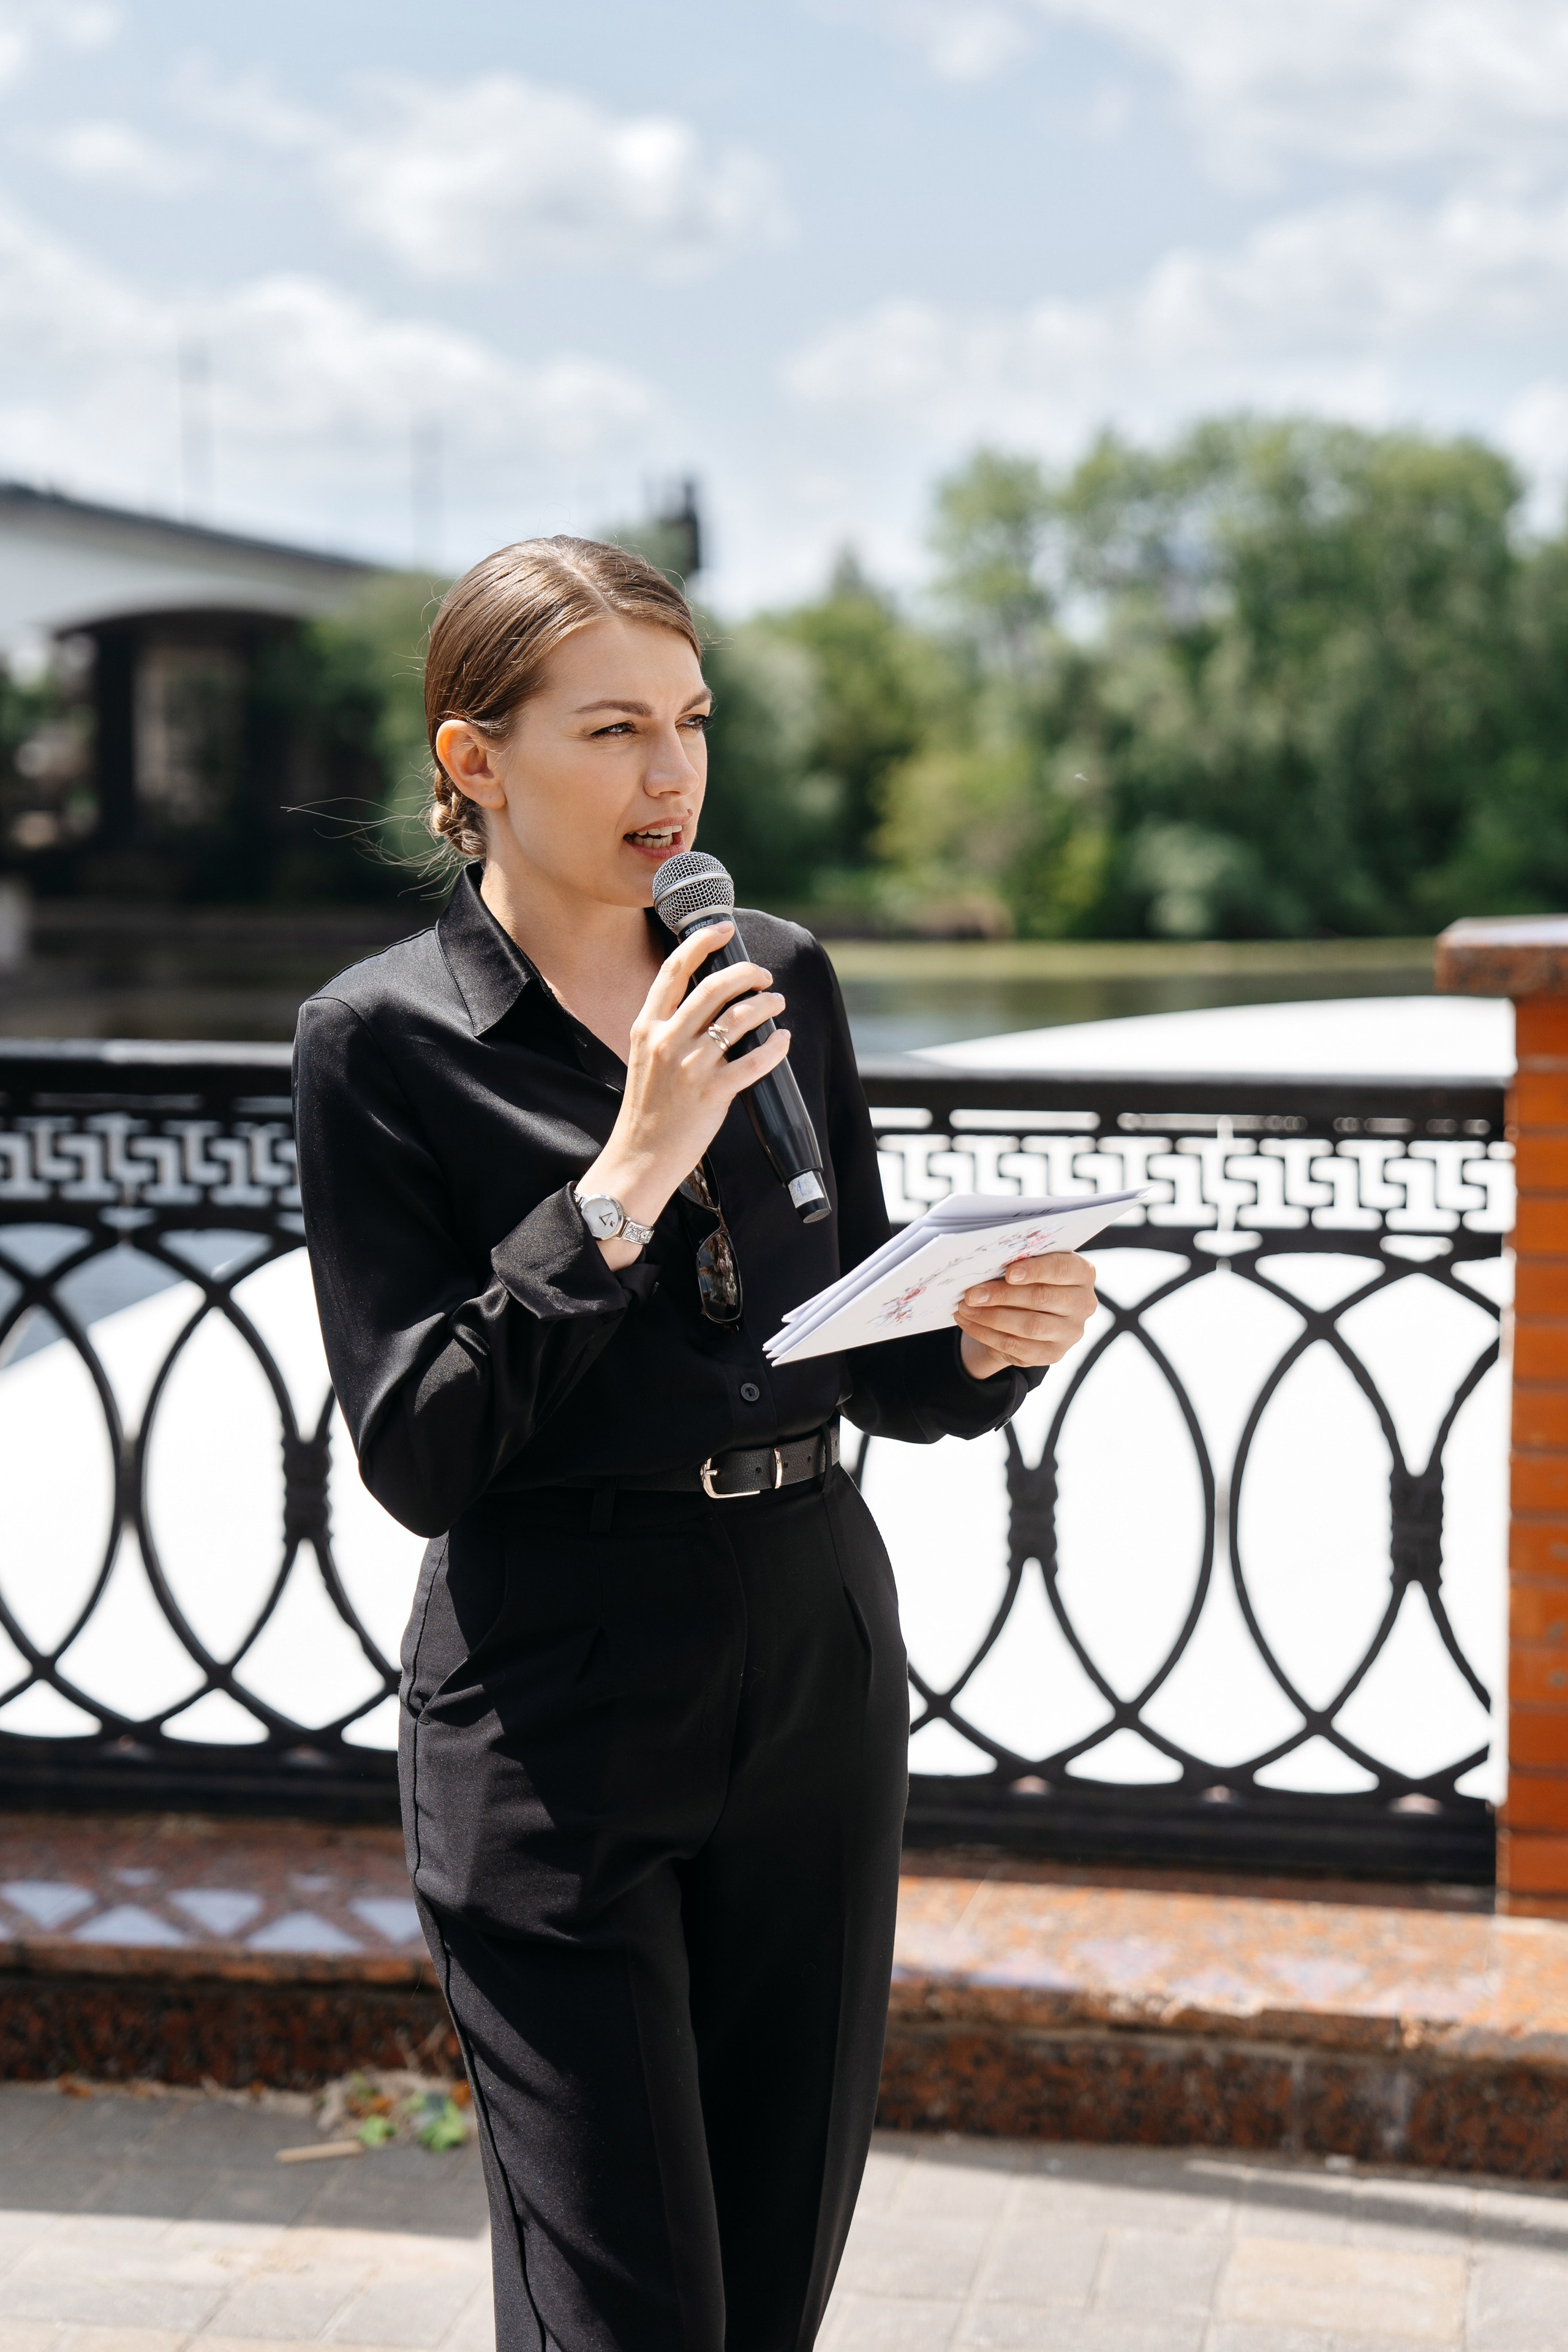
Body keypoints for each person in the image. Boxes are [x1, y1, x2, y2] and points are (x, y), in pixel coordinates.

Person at [292, 537, 1097, 2352]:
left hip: (810, 1646)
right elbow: (420, 1446)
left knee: (763, 2279)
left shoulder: (775, 975)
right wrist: (630, 1174)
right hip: (551, 1700)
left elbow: (850, 1349)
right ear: (474, 760)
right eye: (613, 730)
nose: (672, 776)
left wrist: (981, 1342)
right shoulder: (379, 1042)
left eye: (693, 723)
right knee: (625, 2311)